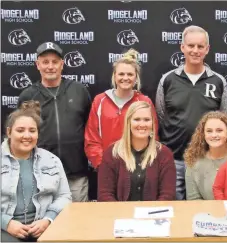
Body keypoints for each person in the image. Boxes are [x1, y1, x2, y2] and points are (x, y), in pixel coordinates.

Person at [156, 25, 227, 200]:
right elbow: (161, 115)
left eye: (200, 46)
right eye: (191, 46)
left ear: (207, 49)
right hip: (174, 159)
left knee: (208, 208)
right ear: (182, 47)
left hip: (206, 159)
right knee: (177, 210)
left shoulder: (218, 81)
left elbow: (223, 119)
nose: (195, 50)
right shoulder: (167, 80)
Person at [17, 42, 91, 202]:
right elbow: (20, 134)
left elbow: (90, 128)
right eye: (45, 62)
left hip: (75, 173)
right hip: (41, 173)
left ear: (62, 64)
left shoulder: (78, 90)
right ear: (37, 65)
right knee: (45, 222)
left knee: (78, 222)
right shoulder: (27, 95)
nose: (50, 66)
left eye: (55, 62)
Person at [84, 49, 158, 200]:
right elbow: (92, 139)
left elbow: (153, 136)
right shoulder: (100, 101)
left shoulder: (144, 102)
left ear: (136, 77)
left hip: (139, 172)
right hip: (107, 171)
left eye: (130, 74)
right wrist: (104, 166)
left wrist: (141, 167)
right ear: (114, 76)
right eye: (121, 74)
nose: (125, 78)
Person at [1, 101, 72, 242]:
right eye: (20, 130)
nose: (27, 136)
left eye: (32, 131)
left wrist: (48, 219)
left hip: (44, 228)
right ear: (9, 132)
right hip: (5, 230)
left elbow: (64, 196)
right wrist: (6, 223)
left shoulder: (52, 160)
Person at [97, 101, 176, 201]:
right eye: (137, 119)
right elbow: (105, 195)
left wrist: (151, 215)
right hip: (120, 215)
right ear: (128, 123)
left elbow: (167, 195)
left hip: (154, 215)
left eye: (147, 120)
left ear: (152, 123)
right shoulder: (112, 153)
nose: (142, 124)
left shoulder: (164, 154)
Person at [184, 111, 227, 200]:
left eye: (219, 130)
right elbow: (193, 201)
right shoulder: (193, 162)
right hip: (208, 213)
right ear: (203, 134)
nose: (214, 135)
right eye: (209, 131)